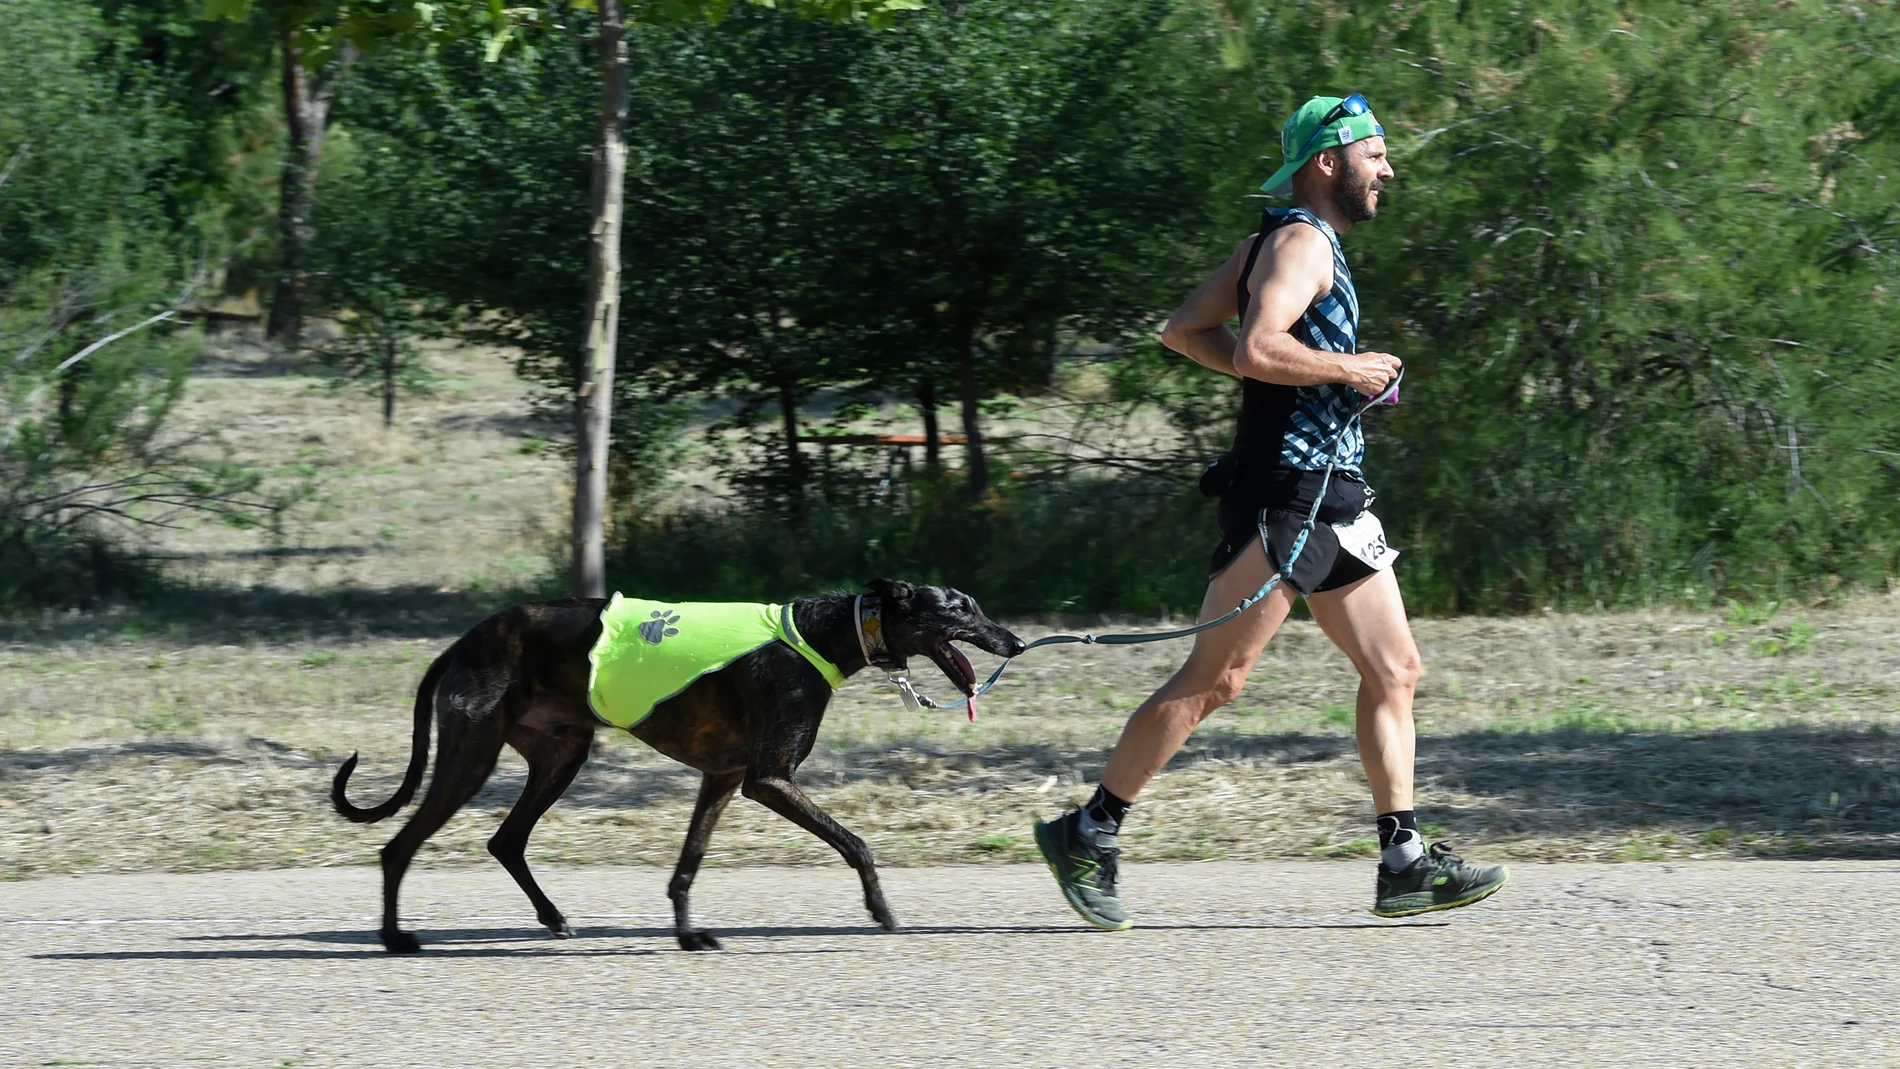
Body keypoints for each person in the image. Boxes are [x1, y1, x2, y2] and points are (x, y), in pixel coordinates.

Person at [1033, 94, 1508, 929]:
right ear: (1329, 162)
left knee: (1395, 670)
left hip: (1336, 501)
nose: (1388, 169)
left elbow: (1185, 330)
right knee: (1216, 678)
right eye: (1376, 153)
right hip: (1283, 500)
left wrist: (1321, 376)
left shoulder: (1274, 239)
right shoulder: (1296, 240)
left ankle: (1403, 859)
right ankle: (1088, 829)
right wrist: (1347, 367)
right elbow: (1254, 346)